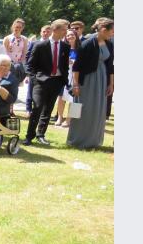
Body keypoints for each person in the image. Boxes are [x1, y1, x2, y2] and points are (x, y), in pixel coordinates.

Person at [67, 18, 114, 148]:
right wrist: (76, 84)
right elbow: (77, 67)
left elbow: (110, 66)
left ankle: (94, 141)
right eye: (112, 31)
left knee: (98, 110)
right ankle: (77, 140)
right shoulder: (87, 43)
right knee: (82, 110)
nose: (113, 33)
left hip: (102, 81)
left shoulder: (109, 44)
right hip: (86, 81)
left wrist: (111, 84)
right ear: (103, 30)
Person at [23, 19, 70, 145]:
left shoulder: (65, 47)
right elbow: (30, 65)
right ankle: (29, 136)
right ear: (55, 30)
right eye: (64, 30)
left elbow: (65, 67)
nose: (66, 32)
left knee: (48, 109)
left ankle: (41, 135)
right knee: (37, 108)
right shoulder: (40, 45)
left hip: (57, 82)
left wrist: (64, 82)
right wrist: (35, 80)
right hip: (41, 82)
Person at [54, 29, 81, 127]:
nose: (70, 37)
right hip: (64, 76)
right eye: (68, 35)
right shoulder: (63, 48)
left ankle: (70, 120)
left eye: (72, 35)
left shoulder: (81, 49)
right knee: (61, 98)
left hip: (77, 77)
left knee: (75, 99)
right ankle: (59, 118)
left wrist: (74, 62)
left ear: (76, 36)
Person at [25, 25, 52, 114]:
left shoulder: (51, 44)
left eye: (48, 32)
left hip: (45, 73)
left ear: (51, 33)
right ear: (41, 32)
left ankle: (40, 110)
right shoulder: (34, 43)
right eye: (44, 31)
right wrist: (28, 73)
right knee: (30, 90)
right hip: (34, 72)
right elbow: (28, 57)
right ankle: (28, 109)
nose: (46, 33)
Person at [3, 18, 28, 83]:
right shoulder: (7, 38)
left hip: (19, 65)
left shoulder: (24, 39)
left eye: (20, 27)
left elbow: (24, 53)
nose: (17, 29)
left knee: (17, 83)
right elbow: (4, 53)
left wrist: (21, 64)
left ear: (22, 28)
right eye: (16, 27)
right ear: (13, 26)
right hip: (8, 65)